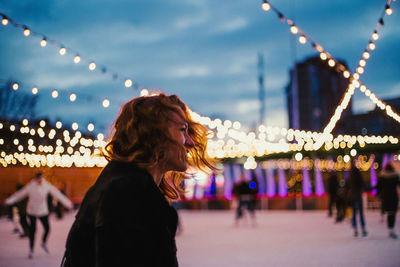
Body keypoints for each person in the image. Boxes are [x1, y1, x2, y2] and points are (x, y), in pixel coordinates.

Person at [61, 94, 215, 267]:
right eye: (182, 130)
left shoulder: (122, 186)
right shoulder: (127, 196)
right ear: (154, 135)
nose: (191, 142)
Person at [5, 172, 73, 258]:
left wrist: (68, 204)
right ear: (36, 179)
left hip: (43, 211)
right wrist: (10, 201)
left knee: (47, 228)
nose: (40, 180)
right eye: (38, 179)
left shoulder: (46, 185)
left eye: (41, 178)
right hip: (32, 211)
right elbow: (20, 194)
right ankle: (31, 250)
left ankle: (43, 242)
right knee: (33, 231)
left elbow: (57, 194)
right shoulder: (31, 186)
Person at [377, 162, 400, 239]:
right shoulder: (395, 176)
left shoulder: (382, 176)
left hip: (385, 196)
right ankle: (391, 229)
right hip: (393, 196)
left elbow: (378, 187)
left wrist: (378, 194)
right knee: (392, 213)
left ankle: (390, 229)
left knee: (389, 213)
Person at [346, 165, 368, 237]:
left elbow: (347, 186)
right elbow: (363, 185)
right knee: (360, 213)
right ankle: (363, 229)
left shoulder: (350, 176)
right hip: (358, 196)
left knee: (354, 213)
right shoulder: (358, 176)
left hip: (352, 197)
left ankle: (355, 229)